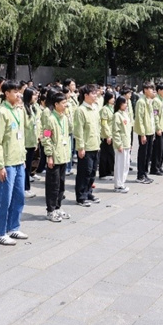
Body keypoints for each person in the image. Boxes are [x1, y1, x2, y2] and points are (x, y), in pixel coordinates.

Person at [0, 80, 28, 246]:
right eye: (15, 92)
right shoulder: (1, 113)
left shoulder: (19, 111)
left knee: (19, 196)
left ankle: (13, 226)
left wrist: (24, 157)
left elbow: (24, 132)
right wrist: (0, 165)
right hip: (7, 162)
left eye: (19, 92)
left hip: (19, 160)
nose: (18, 95)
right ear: (6, 94)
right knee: (3, 198)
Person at [41, 90, 71, 222]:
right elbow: (46, 138)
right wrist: (49, 155)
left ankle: (58, 207)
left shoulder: (64, 118)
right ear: (56, 104)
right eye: (63, 103)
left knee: (62, 184)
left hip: (63, 155)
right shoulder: (50, 119)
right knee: (53, 184)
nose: (66, 105)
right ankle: (51, 210)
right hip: (54, 156)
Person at [73, 84, 101, 207]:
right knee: (84, 172)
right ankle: (81, 196)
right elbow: (78, 131)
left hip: (95, 144)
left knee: (93, 171)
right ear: (86, 95)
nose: (96, 95)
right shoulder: (80, 110)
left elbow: (97, 127)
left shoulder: (95, 108)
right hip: (86, 146)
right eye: (93, 93)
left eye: (96, 93)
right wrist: (80, 147)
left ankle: (89, 192)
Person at [133, 83, 156, 184]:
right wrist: (142, 134)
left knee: (148, 154)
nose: (152, 91)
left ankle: (145, 173)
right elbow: (140, 119)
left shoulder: (149, 101)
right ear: (145, 90)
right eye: (151, 89)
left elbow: (152, 117)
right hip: (144, 131)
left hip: (150, 131)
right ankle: (140, 175)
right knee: (143, 153)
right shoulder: (141, 102)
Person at [111, 96, 132, 192]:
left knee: (126, 164)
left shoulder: (125, 114)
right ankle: (118, 184)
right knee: (120, 165)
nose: (126, 105)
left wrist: (130, 143)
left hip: (126, 143)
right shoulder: (117, 115)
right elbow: (116, 131)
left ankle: (122, 182)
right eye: (125, 103)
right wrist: (119, 144)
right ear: (120, 104)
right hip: (121, 144)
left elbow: (128, 130)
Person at [150, 84, 163, 176]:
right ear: (159, 90)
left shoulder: (162, 101)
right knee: (157, 149)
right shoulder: (156, 101)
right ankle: (154, 168)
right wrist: (157, 127)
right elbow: (155, 115)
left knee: (162, 149)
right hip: (159, 129)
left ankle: (159, 166)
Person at [98, 91, 115, 179]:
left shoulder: (112, 108)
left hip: (112, 134)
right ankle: (103, 173)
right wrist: (108, 135)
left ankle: (109, 171)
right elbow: (104, 123)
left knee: (110, 154)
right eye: (112, 98)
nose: (113, 100)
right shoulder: (104, 109)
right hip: (106, 135)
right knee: (105, 154)